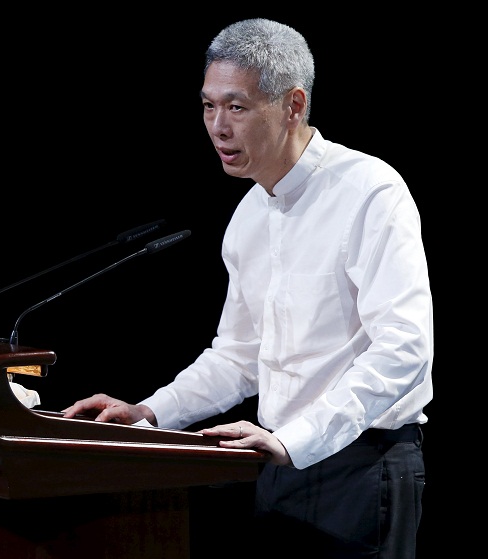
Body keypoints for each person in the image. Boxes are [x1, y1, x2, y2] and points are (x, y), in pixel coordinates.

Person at [62, 18, 432, 559]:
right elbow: (238, 356)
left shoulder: (370, 191)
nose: (217, 126)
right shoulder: (250, 216)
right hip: (273, 466)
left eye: (237, 107)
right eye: (208, 106)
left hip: (363, 467)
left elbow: (405, 350)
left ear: (293, 105)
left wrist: (295, 440)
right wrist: (151, 413)